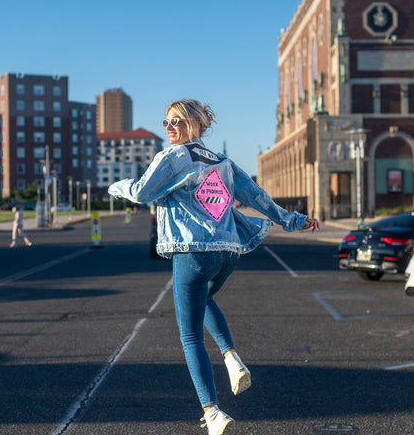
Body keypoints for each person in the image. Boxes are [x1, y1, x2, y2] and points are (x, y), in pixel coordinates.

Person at [108, 99, 320, 435]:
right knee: (205, 300)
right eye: (165, 122)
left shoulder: (172, 157)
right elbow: (257, 196)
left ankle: (212, 412)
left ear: (191, 123)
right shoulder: (223, 162)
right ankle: (232, 358)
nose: (168, 128)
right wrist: (293, 220)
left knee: (190, 337)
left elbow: (141, 193)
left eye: (174, 121)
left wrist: (116, 188)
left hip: (193, 252)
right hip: (228, 251)